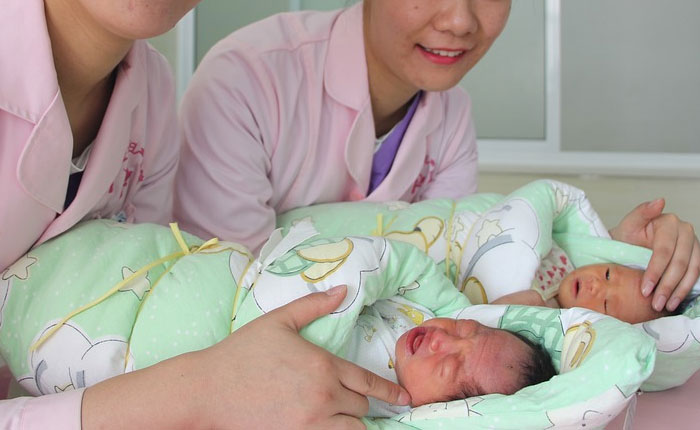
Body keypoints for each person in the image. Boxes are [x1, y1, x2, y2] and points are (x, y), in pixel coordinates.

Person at [0, 1, 409, 429]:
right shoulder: (246, 75)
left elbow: (139, 317)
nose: (457, 19)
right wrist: (198, 391)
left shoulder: (150, 90)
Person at [174, 0, 700, 321]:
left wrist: (608, 257)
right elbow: (232, 301)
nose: (459, 20)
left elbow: (455, 274)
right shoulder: (246, 82)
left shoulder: (451, 116)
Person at [494, 263, 700, 324]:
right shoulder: (564, 258)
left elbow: (487, 315)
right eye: (608, 274)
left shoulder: (547, 315)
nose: (596, 285)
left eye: (606, 305)